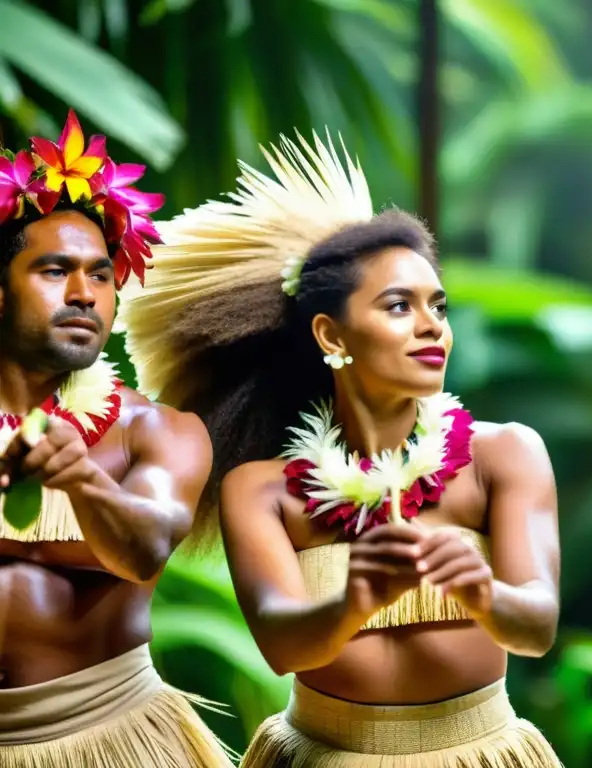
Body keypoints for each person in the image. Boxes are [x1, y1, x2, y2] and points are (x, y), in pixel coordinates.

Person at [117, 130, 563, 767]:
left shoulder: (504, 456)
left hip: (478, 752)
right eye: (398, 306)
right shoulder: (261, 488)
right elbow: (280, 642)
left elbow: (538, 626)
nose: (432, 324)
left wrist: (484, 591)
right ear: (331, 334)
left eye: (438, 305)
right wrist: (357, 596)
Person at [0, 111, 232, 767]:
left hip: (108, 737)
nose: (84, 294)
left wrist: (80, 477)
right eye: (54, 271)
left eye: (101, 275)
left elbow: (147, 548)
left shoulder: (155, 432)